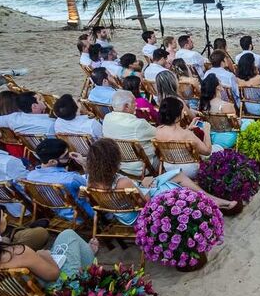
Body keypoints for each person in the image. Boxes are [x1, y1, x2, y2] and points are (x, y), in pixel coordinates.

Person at [84, 138, 235, 225]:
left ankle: (212, 200)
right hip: (139, 213)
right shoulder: (122, 183)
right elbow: (146, 202)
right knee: (176, 181)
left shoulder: (92, 181)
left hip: (123, 214)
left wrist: (144, 183)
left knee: (175, 175)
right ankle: (213, 202)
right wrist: (146, 184)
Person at [24, 138, 92, 219]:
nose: (69, 156)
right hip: (83, 213)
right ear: (52, 162)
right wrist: (85, 165)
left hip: (57, 213)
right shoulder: (71, 178)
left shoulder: (30, 176)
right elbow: (92, 188)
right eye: (66, 155)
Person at [155, 97, 217, 177]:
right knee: (218, 148)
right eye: (182, 110)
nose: (184, 112)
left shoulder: (158, 130)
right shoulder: (187, 134)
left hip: (169, 168)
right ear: (177, 114)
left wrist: (188, 129)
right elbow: (207, 151)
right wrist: (207, 132)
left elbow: (175, 136)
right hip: (189, 170)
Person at [101, 91, 157, 176]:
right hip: (139, 169)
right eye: (134, 102)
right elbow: (159, 134)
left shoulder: (107, 118)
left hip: (118, 165)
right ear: (126, 106)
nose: (136, 104)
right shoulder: (138, 124)